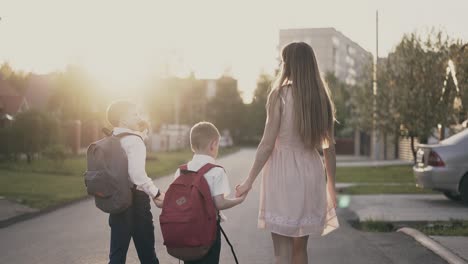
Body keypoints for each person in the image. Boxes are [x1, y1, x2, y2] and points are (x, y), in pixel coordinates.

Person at [236, 42, 339, 264]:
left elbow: (266, 145)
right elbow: (328, 148)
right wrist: (331, 186)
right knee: (300, 250)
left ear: (288, 64)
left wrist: (248, 181)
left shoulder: (279, 95)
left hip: (282, 174)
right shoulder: (322, 99)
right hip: (311, 172)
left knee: (281, 252)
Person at [173, 121, 247, 264]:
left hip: (186, 230)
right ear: (214, 144)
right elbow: (219, 203)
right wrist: (240, 200)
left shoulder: (181, 170)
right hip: (208, 232)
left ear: (192, 146)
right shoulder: (216, 171)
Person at [106, 100, 164, 264]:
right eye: (134, 114)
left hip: (118, 201)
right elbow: (137, 175)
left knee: (116, 256)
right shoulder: (134, 141)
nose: (139, 117)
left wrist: (141, 136)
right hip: (137, 202)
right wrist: (156, 193)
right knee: (148, 256)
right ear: (123, 119)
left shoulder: (113, 138)